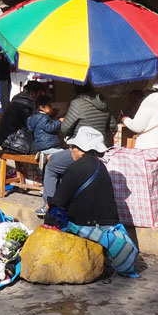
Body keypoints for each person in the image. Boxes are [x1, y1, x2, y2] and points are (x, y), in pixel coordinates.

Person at [41, 80, 112, 214]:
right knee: (54, 157)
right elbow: (112, 126)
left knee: (51, 166)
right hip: (98, 147)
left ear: (75, 89)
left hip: (82, 148)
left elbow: (66, 128)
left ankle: (48, 205)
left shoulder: (77, 103)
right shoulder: (103, 103)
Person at [45, 126, 119, 228]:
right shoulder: (100, 165)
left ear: (81, 150)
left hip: (86, 224)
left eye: (73, 147)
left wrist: (50, 208)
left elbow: (60, 201)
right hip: (107, 222)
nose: (70, 150)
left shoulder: (76, 168)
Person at [0, 79, 44, 146]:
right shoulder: (26, 105)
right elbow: (32, 126)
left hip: (7, 140)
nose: (39, 97)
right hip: (14, 142)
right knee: (45, 147)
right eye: (39, 94)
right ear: (32, 94)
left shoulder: (19, 99)